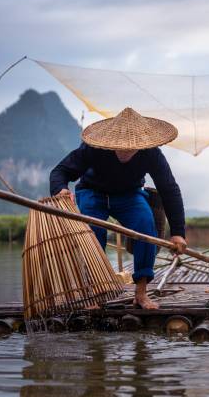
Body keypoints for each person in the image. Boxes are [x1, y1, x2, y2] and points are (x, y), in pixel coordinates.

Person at [49, 107, 186, 309]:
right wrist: (60, 189)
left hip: (129, 195)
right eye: (120, 147)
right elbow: (60, 171)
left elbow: (169, 189)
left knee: (146, 226)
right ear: (110, 141)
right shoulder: (93, 148)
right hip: (92, 192)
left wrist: (177, 233)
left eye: (131, 148)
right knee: (93, 233)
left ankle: (140, 293)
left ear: (141, 145)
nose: (125, 151)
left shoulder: (151, 154)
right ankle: (94, 292)